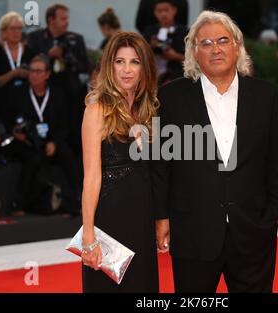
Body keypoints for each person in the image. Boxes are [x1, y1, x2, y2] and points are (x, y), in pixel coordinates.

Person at [153, 11, 278, 293]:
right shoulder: (170, 98)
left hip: (253, 231)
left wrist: (272, 216)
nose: (215, 49)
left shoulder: (266, 95)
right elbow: (161, 165)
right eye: (206, 43)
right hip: (192, 230)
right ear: (194, 52)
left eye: (223, 40)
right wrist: (161, 216)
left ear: (237, 46)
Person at [80, 32, 159, 292]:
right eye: (119, 61)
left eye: (134, 62)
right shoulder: (97, 109)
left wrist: (161, 219)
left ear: (144, 67)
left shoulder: (147, 110)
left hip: (142, 220)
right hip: (111, 221)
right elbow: (91, 176)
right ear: (109, 65)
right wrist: (89, 237)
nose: (126, 70)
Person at [9, 55, 79, 215]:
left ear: (47, 74)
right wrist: (15, 132)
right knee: (32, 157)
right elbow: (8, 119)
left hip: (52, 139)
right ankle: (19, 203)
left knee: (68, 155)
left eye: (38, 71)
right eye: (32, 71)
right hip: (27, 141)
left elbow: (64, 125)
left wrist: (54, 142)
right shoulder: (18, 93)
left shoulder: (58, 94)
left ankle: (77, 199)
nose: (34, 75)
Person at [27, 4, 89, 158]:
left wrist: (64, 57)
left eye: (67, 18)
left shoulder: (75, 39)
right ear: (50, 20)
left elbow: (84, 67)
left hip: (71, 95)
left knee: (74, 134)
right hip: (46, 96)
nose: (66, 22)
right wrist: (49, 56)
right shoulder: (35, 38)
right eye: (62, 18)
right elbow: (31, 63)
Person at [0, 11, 34, 133]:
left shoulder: (30, 52)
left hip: (26, 105)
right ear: (3, 31)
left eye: (19, 29)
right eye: (12, 28)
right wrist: (14, 73)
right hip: (2, 103)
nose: (16, 32)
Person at [144, 0, 187, 85]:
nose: (163, 14)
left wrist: (175, 56)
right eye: (159, 11)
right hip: (152, 77)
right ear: (155, 13)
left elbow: (193, 58)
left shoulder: (184, 31)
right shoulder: (149, 31)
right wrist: (150, 46)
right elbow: (141, 54)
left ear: (174, 10)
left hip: (176, 77)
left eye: (166, 10)